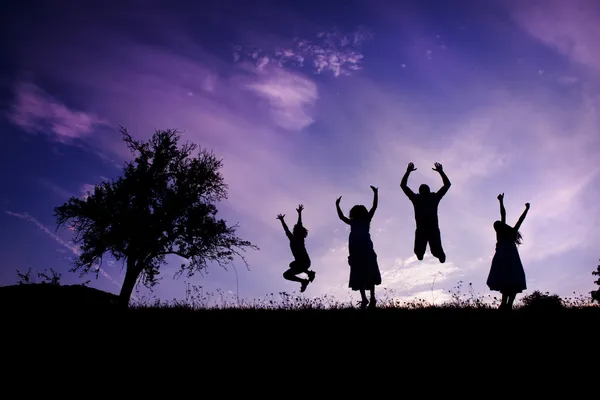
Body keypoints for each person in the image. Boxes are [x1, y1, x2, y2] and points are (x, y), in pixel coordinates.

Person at [335, 186, 382, 309]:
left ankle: (369, 298)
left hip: (363, 250)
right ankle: (367, 299)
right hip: (359, 251)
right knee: (361, 274)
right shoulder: (359, 221)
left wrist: (376, 193)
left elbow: (374, 207)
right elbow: (342, 217)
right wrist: (337, 205)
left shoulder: (364, 220)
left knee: (365, 273)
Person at [400, 162, 451, 263]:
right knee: (420, 251)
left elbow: (447, 185)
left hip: (429, 229)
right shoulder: (420, 198)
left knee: (434, 251)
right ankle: (428, 254)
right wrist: (441, 172)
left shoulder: (430, 198)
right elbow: (403, 186)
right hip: (424, 229)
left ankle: (438, 254)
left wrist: (408, 171)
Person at [486, 193, 530, 310]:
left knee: (511, 280)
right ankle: (506, 304)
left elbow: (508, 216)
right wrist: (501, 202)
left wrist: (526, 209)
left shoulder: (504, 235)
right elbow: (505, 215)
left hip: (507, 258)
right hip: (506, 258)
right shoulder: (504, 234)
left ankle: (506, 304)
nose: (498, 224)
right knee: (510, 280)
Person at [277, 204, 315, 293]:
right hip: (301, 264)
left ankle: (309, 273)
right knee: (286, 275)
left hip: (304, 261)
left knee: (292, 265)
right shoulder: (292, 238)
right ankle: (304, 281)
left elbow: (299, 224)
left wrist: (300, 213)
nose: (294, 231)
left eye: (296, 230)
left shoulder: (300, 238)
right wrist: (282, 220)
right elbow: (286, 230)